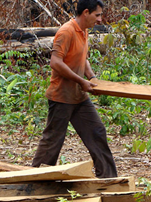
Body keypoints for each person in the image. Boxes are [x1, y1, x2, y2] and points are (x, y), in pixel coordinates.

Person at [32, 0, 118, 178]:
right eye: (97, 15)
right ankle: (35, 180)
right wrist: (81, 81)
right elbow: (55, 62)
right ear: (86, 12)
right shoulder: (67, 31)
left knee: (97, 132)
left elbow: (82, 58)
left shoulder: (83, 30)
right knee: (52, 143)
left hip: (79, 98)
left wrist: (91, 77)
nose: (100, 19)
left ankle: (109, 180)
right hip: (61, 97)